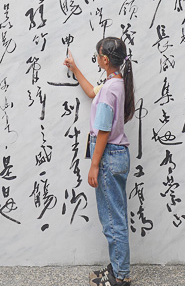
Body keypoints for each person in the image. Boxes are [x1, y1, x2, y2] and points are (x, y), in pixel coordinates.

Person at [63, 37, 135, 286]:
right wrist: (75, 69)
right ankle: (117, 268)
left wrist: (94, 165)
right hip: (117, 155)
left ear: (105, 60)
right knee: (114, 216)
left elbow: (102, 130)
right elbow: (92, 91)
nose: (97, 58)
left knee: (113, 220)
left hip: (108, 156)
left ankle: (122, 276)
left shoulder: (109, 90)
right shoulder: (115, 83)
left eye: (97, 56)